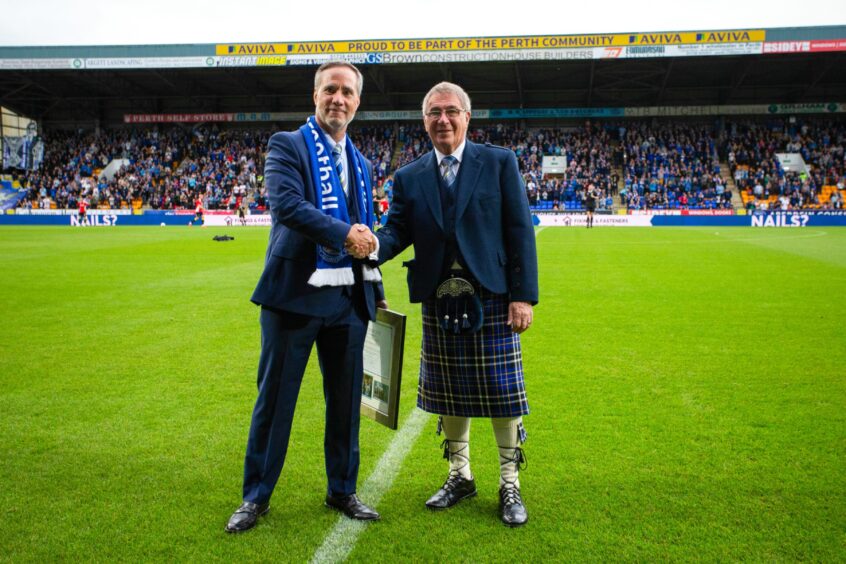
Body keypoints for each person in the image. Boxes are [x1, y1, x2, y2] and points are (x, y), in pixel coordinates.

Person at [367, 82, 538, 527]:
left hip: (493, 294)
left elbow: (519, 230)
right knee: (450, 394)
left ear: (467, 116)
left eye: (450, 111)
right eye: (433, 113)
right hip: (439, 297)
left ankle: (509, 481)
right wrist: (368, 247)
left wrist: (522, 296)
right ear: (423, 121)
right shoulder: (409, 176)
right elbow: (396, 232)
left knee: (502, 393)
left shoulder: (499, 162)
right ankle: (459, 475)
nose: (442, 120)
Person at [225, 61, 385, 534]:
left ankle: (343, 490)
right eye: (330, 89)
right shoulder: (286, 145)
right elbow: (288, 206)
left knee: (345, 402)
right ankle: (255, 497)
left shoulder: (362, 162)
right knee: (275, 402)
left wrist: (369, 255)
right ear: (315, 95)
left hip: (347, 300)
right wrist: (347, 234)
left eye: (347, 92)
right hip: (295, 296)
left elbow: (366, 227)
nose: (339, 98)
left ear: (357, 102)